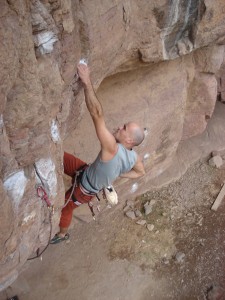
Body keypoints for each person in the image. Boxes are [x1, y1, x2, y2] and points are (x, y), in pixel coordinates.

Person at [50, 63, 145, 244]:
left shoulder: (112, 148)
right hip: (85, 171)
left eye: (124, 128)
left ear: (130, 141)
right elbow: (141, 172)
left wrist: (86, 82)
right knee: (59, 156)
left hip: (84, 190)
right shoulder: (134, 157)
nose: (119, 127)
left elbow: (97, 113)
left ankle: (62, 235)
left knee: (65, 209)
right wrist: (117, 174)